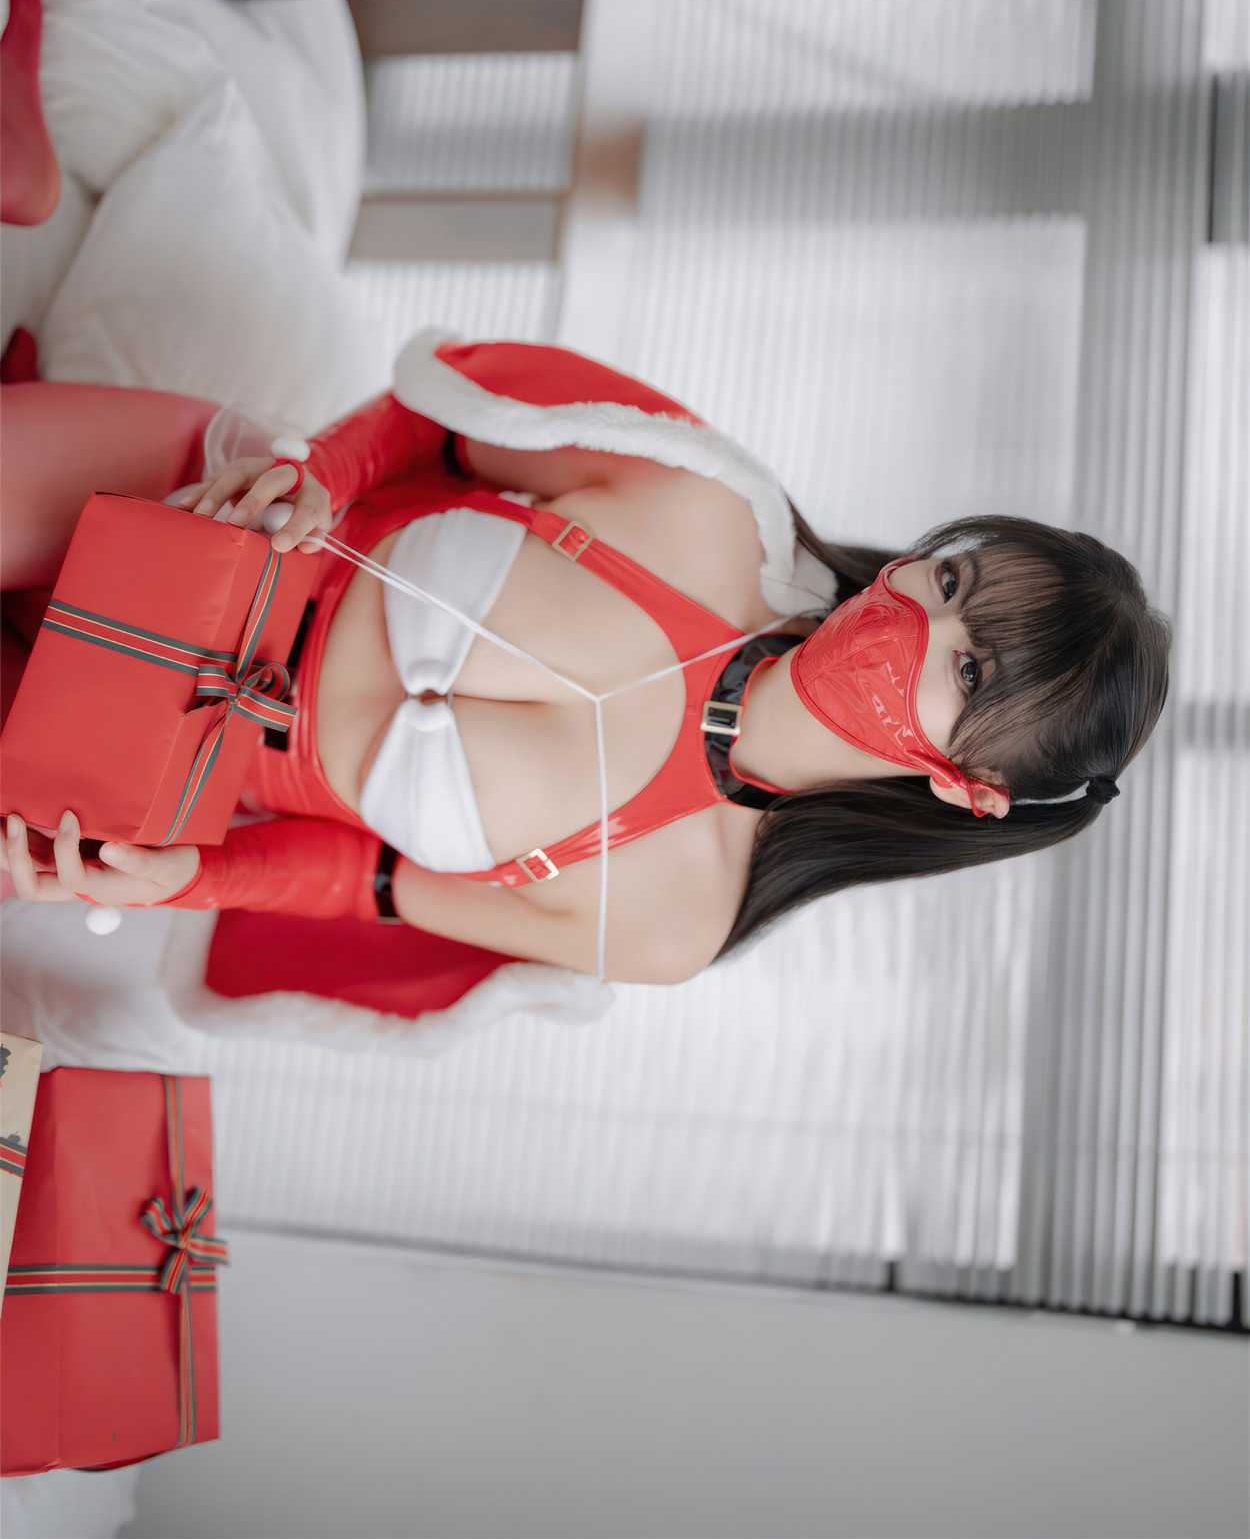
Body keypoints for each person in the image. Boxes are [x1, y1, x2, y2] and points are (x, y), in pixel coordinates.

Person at [0, 330, 1172, 1030]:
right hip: (188, 509)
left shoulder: (669, 923)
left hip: (145, 762)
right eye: (951, 578)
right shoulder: (709, 512)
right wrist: (321, 475)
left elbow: (371, 885)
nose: (911, 614)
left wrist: (185, 879)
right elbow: (438, 420)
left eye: (965, 667)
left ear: (969, 788)